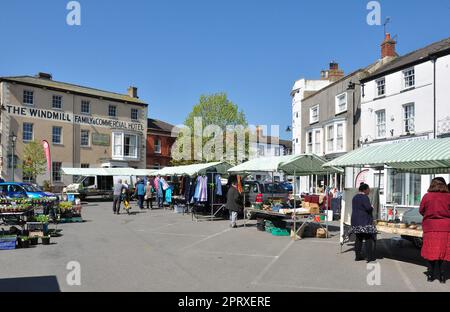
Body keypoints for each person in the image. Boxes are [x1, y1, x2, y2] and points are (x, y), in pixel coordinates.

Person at [420, 178, 450, 284]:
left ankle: (431, 275)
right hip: (446, 228)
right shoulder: (448, 196)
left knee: (430, 251)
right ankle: (442, 276)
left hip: (430, 227)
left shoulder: (427, 196)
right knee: (443, 252)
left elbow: (421, 210)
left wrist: (429, 215)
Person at [351, 183, 377, 263]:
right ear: (365, 190)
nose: (369, 191)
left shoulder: (355, 197)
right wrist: (372, 207)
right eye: (368, 189)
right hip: (364, 221)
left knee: (358, 239)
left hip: (355, 221)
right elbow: (368, 208)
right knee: (368, 238)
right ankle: (369, 257)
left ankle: (357, 256)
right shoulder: (365, 197)